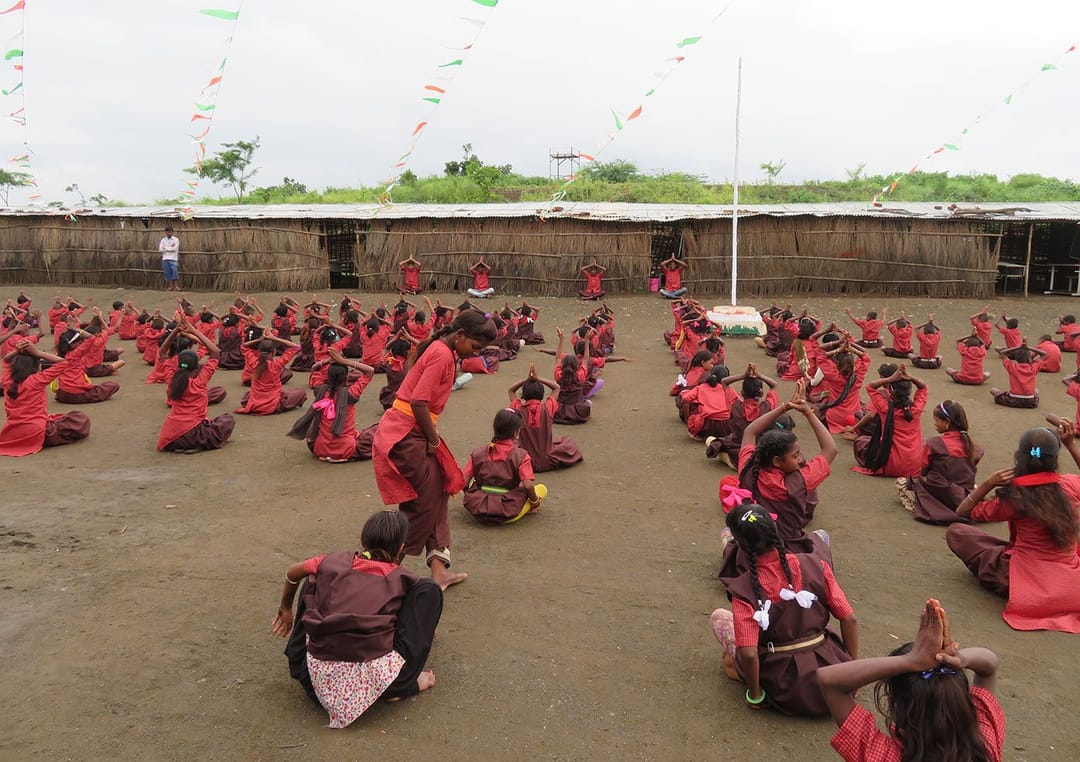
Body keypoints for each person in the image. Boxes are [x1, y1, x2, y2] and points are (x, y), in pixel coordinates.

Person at [271, 510, 443, 728]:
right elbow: (411, 611)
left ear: (363, 541)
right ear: (401, 550)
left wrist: (285, 607)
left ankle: (307, 658)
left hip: (313, 682)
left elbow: (293, 571)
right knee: (429, 591)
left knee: (315, 580)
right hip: (383, 686)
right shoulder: (404, 579)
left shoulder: (330, 561)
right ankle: (405, 684)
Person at [372, 309, 497, 589]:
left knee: (439, 491)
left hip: (412, 430)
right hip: (406, 434)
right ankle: (385, 573)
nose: (474, 353)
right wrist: (433, 440)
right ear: (461, 335)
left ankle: (439, 570)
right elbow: (418, 402)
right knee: (419, 507)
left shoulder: (443, 351)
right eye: (475, 347)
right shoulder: (441, 353)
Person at [712, 505, 857, 716]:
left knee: (719, 618)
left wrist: (755, 695)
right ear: (776, 532)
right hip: (831, 677)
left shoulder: (744, 589)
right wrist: (850, 671)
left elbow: (750, 653)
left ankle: (736, 670)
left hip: (784, 686)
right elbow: (850, 619)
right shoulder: (816, 565)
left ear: (741, 548)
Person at [818, 599, 1004, 762]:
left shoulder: (882, 756)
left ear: (897, 706)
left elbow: (829, 680)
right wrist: (959, 658)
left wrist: (910, 661)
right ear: (963, 703)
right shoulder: (985, 743)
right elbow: (989, 665)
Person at [946, 423, 1080, 632]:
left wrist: (988, 483)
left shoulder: (1015, 499)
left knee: (958, 532)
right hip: (1073, 588)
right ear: (1054, 460)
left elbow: (962, 512)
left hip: (1031, 588)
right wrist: (1071, 445)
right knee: (1007, 548)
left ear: (1020, 457)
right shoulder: (1070, 485)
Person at [738, 382, 837, 551]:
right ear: (777, 461)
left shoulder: (748, 467)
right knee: (821, 536)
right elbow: (830, 449)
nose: (800, 459)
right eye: (795, 455)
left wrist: (784, 407)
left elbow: (750, 432)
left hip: (754, 546)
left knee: (733, 533)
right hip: (789, 547)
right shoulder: (798, 481)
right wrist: (807, 411)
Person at [1, 339, 91, 456]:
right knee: (80, 418)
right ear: (35, 367)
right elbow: (63, 362)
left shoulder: (8, 381)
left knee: (62, 418)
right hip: (36, 431)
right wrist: (38, 353)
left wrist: (17, 351)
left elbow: (5, 361)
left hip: (13, 431)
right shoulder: (36, 380)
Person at [897, 400, 983, 523]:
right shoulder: (975, 448)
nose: (935, 424)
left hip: (942, 492)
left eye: (936, 420)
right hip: (965, 497)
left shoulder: (934, 444)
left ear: (947, 422)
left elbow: (924, 469)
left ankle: (928, 505)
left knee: (904, 483)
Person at [287, 350, 376, 462]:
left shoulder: (320, 390)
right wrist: (344, 361)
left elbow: (314, 369)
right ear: (347, 377)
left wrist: (327, 361)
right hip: (345, 449)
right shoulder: (351, 393)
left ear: (328, 376)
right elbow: (370, 371)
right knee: (377, 430)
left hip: (320, 449)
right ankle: (341, 455)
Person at [462, 408, 547, 524]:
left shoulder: (478, 453)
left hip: (478, 508)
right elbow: (528, 486)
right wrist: (535, 502)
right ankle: (526, 509)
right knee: (541, 489)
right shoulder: (521, 456)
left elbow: (464, 481)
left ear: (495, 428)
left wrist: (472, 495)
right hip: (508, 510)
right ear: (516, 432)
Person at [156, 329, 235, 452]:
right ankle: (196, 445)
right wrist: (192, 329)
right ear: (197, 366)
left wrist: (176, 330)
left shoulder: (172, 380)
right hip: (195, 432)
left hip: (171, 437)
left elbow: (161, 353)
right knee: (228, 420)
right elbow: (215, 352)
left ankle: (188, 446)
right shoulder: (200, 382)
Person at [852, 365, 927, 478]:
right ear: (909, 392)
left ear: (891, 392)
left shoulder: (885, 408)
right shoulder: (916, 410)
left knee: (861, 442)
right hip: (914, 467)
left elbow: (870, 387)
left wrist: (890, 379)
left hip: (890, 465)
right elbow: (923, 388)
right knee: (924, 443)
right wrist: (911, 377)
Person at [507, 364, 582, 472]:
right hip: (548, 461)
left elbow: (511, 390)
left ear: (524, 394)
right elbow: (556, 387)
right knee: (567, 442)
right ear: (541, 394)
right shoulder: (547, 408)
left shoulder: (518, 410)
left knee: (510, 443)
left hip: (525, 462)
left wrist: (527, 379)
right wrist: (538, 378)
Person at [235, 333, 306, 415]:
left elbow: (243, 346)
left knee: (249, 394)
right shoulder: (277, 364)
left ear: (259, 351)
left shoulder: (254, 362)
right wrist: (275, 338)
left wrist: (260, 339)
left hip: (255, 403)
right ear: (274, 352)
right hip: (272, 404)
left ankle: (257, 405)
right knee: (300, 392)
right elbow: (297, 347)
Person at [815, 338, 870, 434]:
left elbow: (820, 353)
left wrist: (838, 349)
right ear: (853, 364)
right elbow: (866, 356)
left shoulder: (833, 376)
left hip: (834, 418)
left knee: (819, 407)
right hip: (853, 417)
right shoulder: (858, 376)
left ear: (837, 365)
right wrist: (852, 347)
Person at [681, 365, 734, 441]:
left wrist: (687, 419)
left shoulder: (701, 387)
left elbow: (685, 399)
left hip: (707, 425)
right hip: (726, 426)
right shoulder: (729, 390)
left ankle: (700, 434)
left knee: (695, 405)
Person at [989, 343, 1044, 409]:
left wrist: (1018, 347)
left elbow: (1002, 353)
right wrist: (1028, 347)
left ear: (1016, 358)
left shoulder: (1013, 367)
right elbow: (1044, 354)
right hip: (1030, 402)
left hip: (1013, 400)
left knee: (993, 390)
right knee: (1036, 390)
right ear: (1029, 358)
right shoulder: (1033, 367)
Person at [158, 225, 180, 292]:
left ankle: (176, 286)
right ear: (165, 232)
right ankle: (170, 286)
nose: (169, 233)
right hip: (165, 259)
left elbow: (174, 249)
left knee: (174, 272)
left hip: (173, 259)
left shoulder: (176, 239)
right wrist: (169, 248)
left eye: (170, 232)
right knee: (167, 273)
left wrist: (165, 248)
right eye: (168, 232)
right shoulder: (163, 240)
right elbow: (160, 250)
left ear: (172, 232)